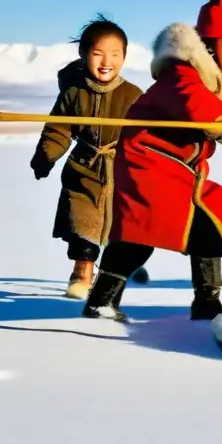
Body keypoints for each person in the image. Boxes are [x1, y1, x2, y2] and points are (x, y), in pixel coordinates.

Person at [81, 0, 222, 321]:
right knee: (154, 232)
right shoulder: (182, 73)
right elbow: (204, 115)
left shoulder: (220, 80)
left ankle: (197, 304)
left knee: (188, 229)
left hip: (178, 169)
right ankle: (192, 305)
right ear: (214, 39)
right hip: (148, 162)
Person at [30, 15, 147, 299]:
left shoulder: (133, 95)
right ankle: (81, 274)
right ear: (83, 55)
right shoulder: (72, 93)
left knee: (120, 226)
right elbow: (58, 128)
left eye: (115, 55)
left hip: (121, 171)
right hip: (84, 168)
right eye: (98, 54)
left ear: (125, 57)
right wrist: (46, 155)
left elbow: (147, 135)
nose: (106, 61)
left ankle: (122, 266)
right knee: (83, 222)